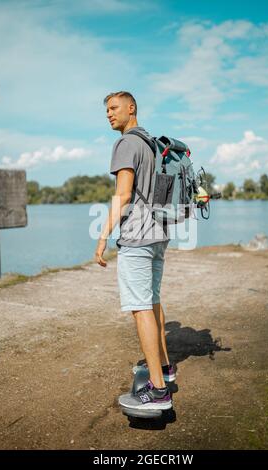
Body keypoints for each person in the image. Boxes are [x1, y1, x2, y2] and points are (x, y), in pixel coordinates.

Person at [95, 91, 175, 411]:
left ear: (132, 108)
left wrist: (102, 237)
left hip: (138, 237)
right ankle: (165, 370)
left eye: (114, 108)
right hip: (158, 235)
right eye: (107, 111)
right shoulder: (152, 144)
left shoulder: (126, 143)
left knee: (140, 308)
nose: (109, 114)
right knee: (152, 301)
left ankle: (157, 391)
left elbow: (123, 195)